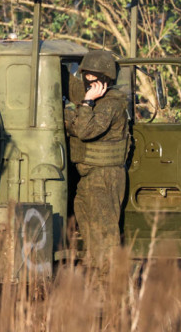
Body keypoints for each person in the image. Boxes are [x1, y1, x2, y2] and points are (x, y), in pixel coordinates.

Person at [64, 50, 130, 272]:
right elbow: (74, 123)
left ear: (106, 79)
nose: (89, 81)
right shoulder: (97, 101)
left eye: (95, 77)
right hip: (90, 176)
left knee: (104, 236)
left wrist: (86, 103)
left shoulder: (109, 104)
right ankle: (98, 285)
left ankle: (112, 290)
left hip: (104, 177)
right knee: (91, 232)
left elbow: (83, 130)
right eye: (86, 75)